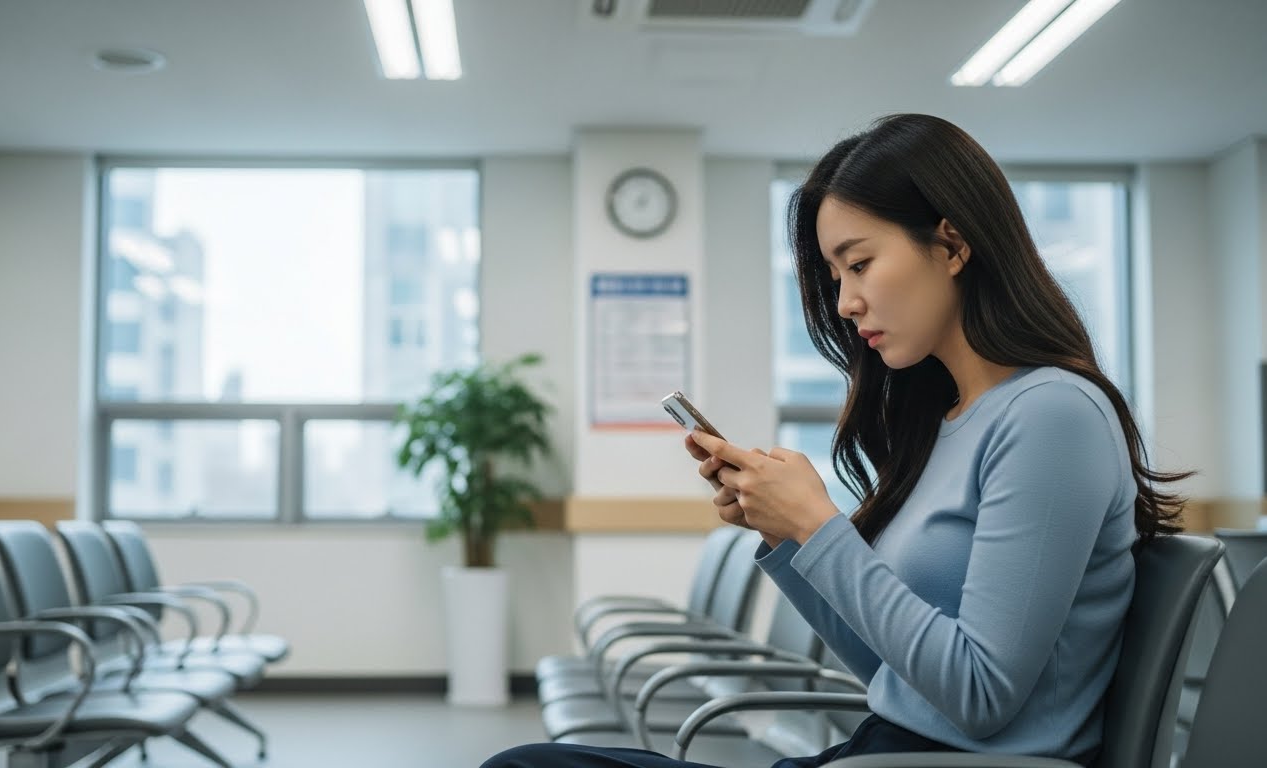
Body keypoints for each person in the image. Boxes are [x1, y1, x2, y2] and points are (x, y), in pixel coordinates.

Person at [480, 113, 1188, 768]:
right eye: (835, 276)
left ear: (951, 245)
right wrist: (790, 536)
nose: (845, 302)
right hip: (885, 750)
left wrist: (820, 527)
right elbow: (889, 674)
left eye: (859, 263)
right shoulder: (947, 422)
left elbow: (979, 696)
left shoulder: (1050, 414)